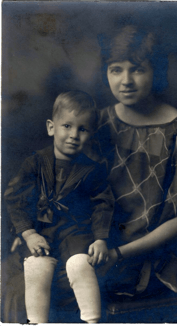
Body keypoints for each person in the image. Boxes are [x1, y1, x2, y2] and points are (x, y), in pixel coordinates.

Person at [91, 25, 177, 298]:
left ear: (156, 71)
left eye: (137, 69)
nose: (126, 81)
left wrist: (119, 253)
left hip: (157, 256)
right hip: (98, 245)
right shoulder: (98, 122)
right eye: (116, 69)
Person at [4, 90, 114, 323]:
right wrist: (29, 233)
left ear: (91, 135)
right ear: (51, 127)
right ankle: (36, 321)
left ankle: (92, 320)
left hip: (76, 234)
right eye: (67, 126)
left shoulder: (93, 170)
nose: (74, 135)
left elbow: (103, 205)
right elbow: (15, 198)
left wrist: (100, 239)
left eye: (82, 129)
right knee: (36, 266)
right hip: (42, 232)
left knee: (80, 264)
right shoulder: (35, 162)